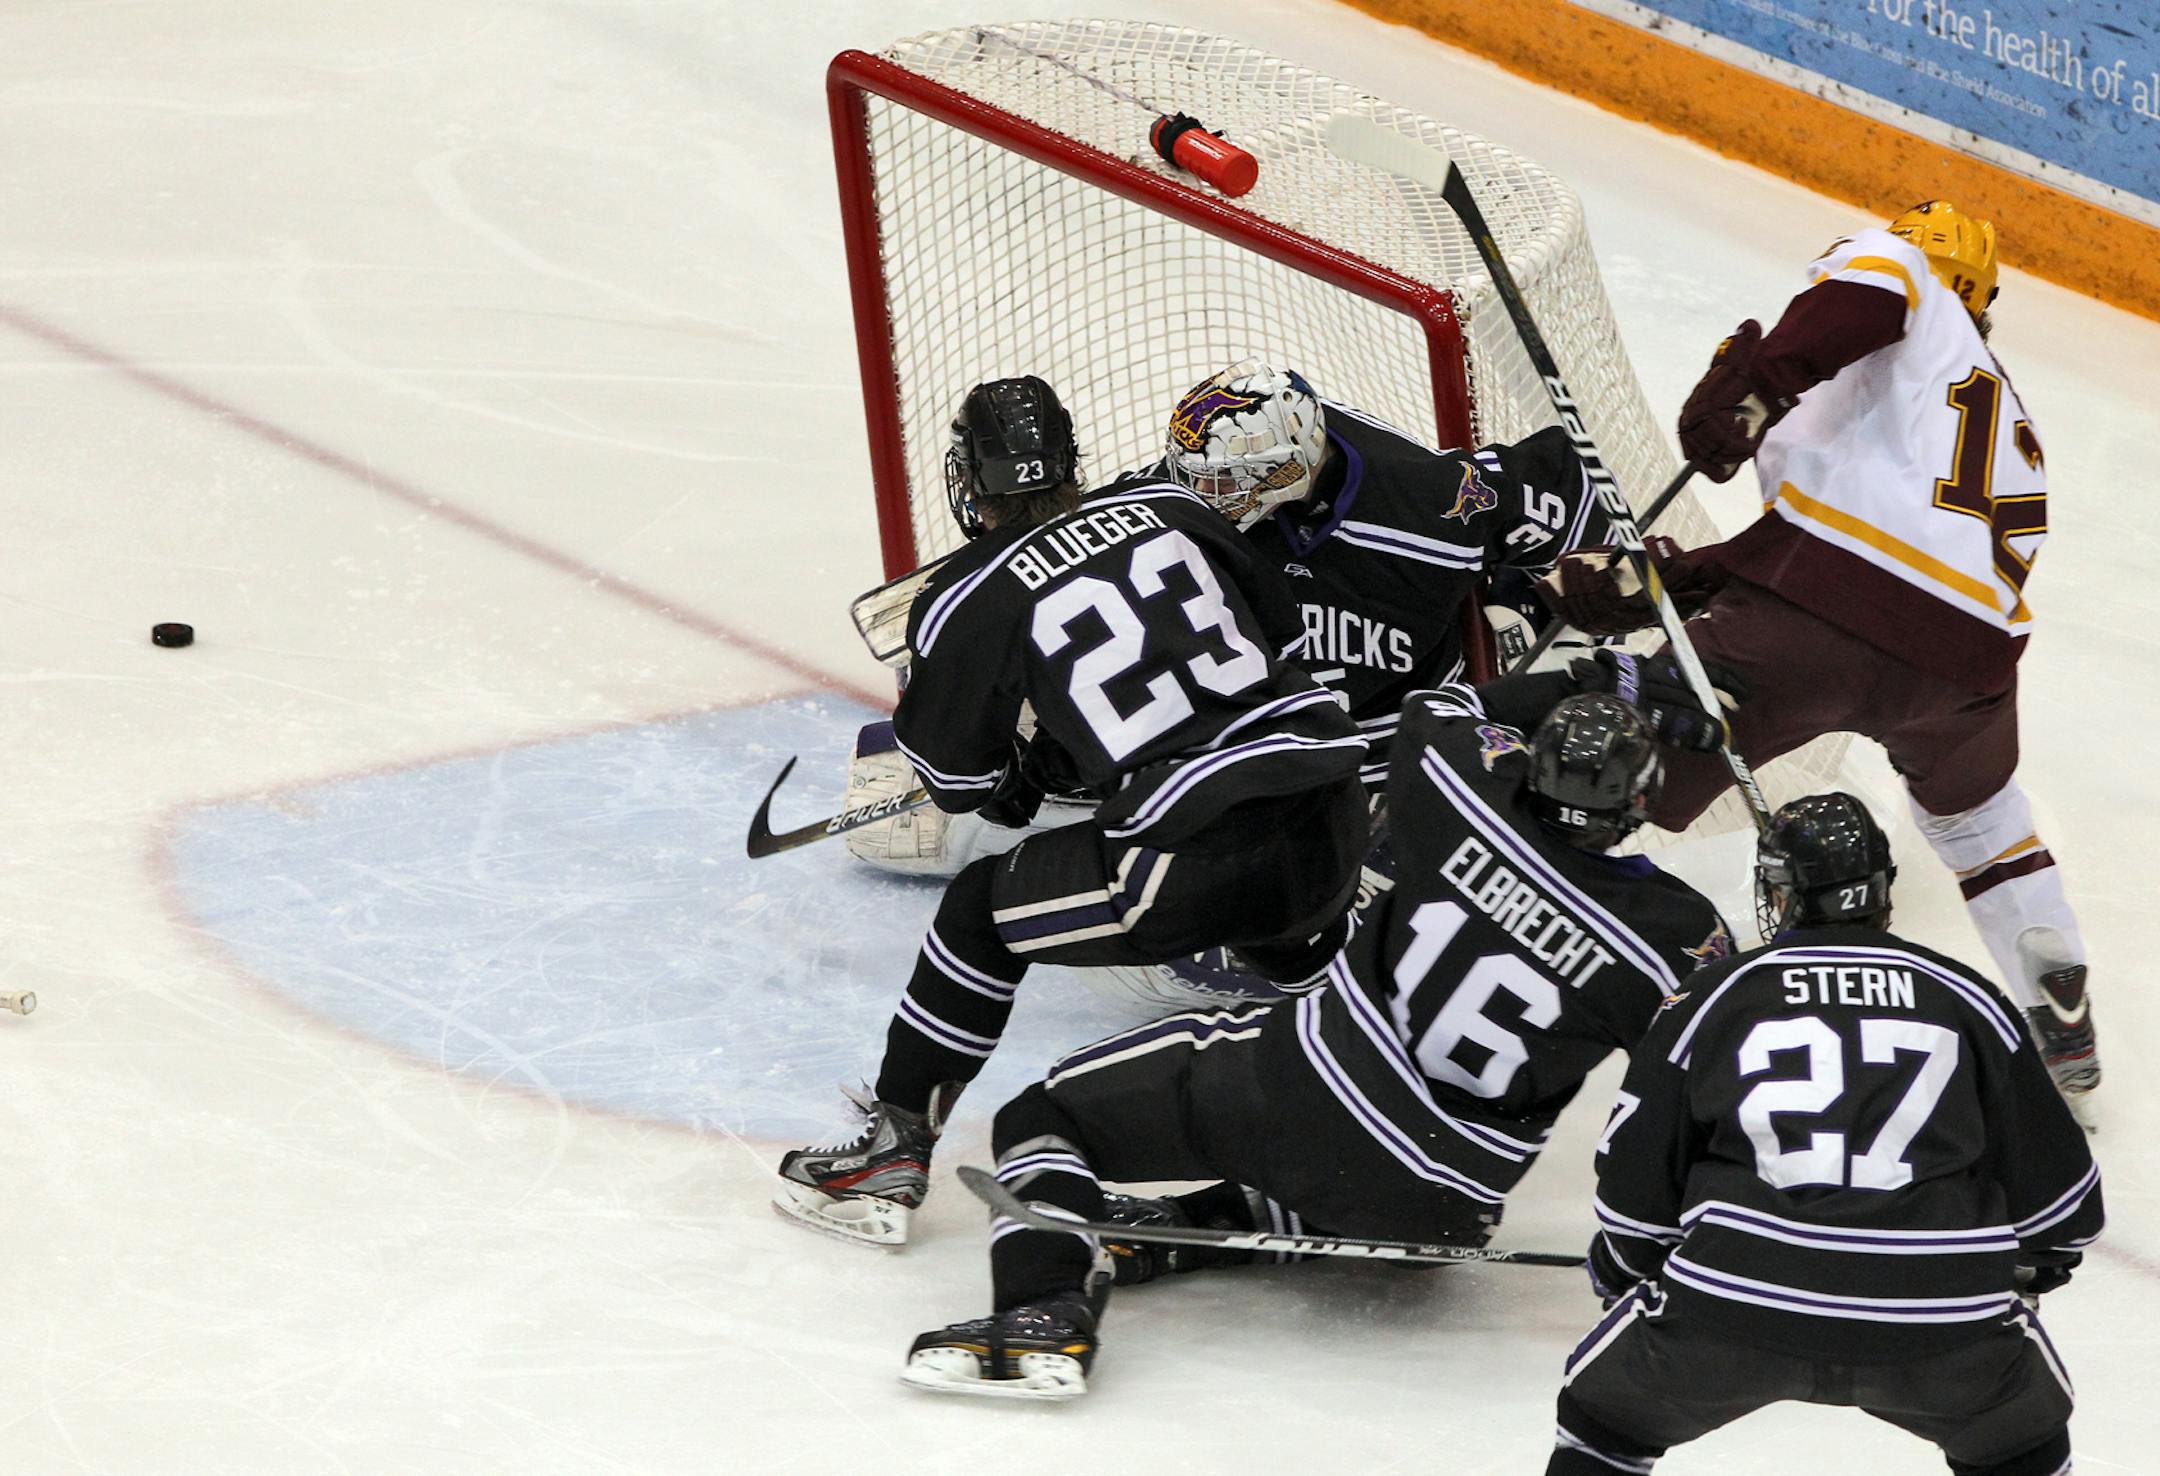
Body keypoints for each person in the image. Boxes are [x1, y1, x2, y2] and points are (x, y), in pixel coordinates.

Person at [900, 673, 1736, 1399]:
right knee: (1354, 1172)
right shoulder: (1680, 939)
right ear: (1642, 802)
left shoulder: (1464, 789)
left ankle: (1044, 1308)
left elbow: (1443, 704)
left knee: (1041, 1116)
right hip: (1446, 1207)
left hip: (1292, 1099)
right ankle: (1190, 1234)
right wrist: (1684, 1242)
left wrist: (1597, 679)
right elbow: (1705, 1099)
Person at [773, 376, 1370, 1246]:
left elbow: (959, 781)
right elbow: (1278, 640)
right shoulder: (1174, 506)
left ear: (970, 480)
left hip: (1195, 851)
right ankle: (1392, 1125)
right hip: (1330, 809)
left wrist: (1031, 768)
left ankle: (892, 1151)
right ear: (1070, 459)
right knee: (1295, 941)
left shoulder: (965, 597)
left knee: (978, 916)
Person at [1539, 201, 2098, 1113]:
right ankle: (2059, 1004)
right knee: (1982, 824)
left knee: (1606, 764)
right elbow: (1863, 554)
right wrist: (1677, 579)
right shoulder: (2000, 424)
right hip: (1966, 675)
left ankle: (1473, 939)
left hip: (1805, 640)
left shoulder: (1901, 279)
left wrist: (1757, 382)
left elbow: (1872, 291)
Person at [1549, 791, 2102, 1475]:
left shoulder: (1713, 994)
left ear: (1784, 895)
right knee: (2022, 1442)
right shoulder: (1969, 997)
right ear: (1883, 890)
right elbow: (2064, 1207)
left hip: (1735, 1305)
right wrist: (2028, 1268)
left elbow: (1635, 1192)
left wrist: (1628, 1268)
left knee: (1603, 1422)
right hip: (1938, 1321)